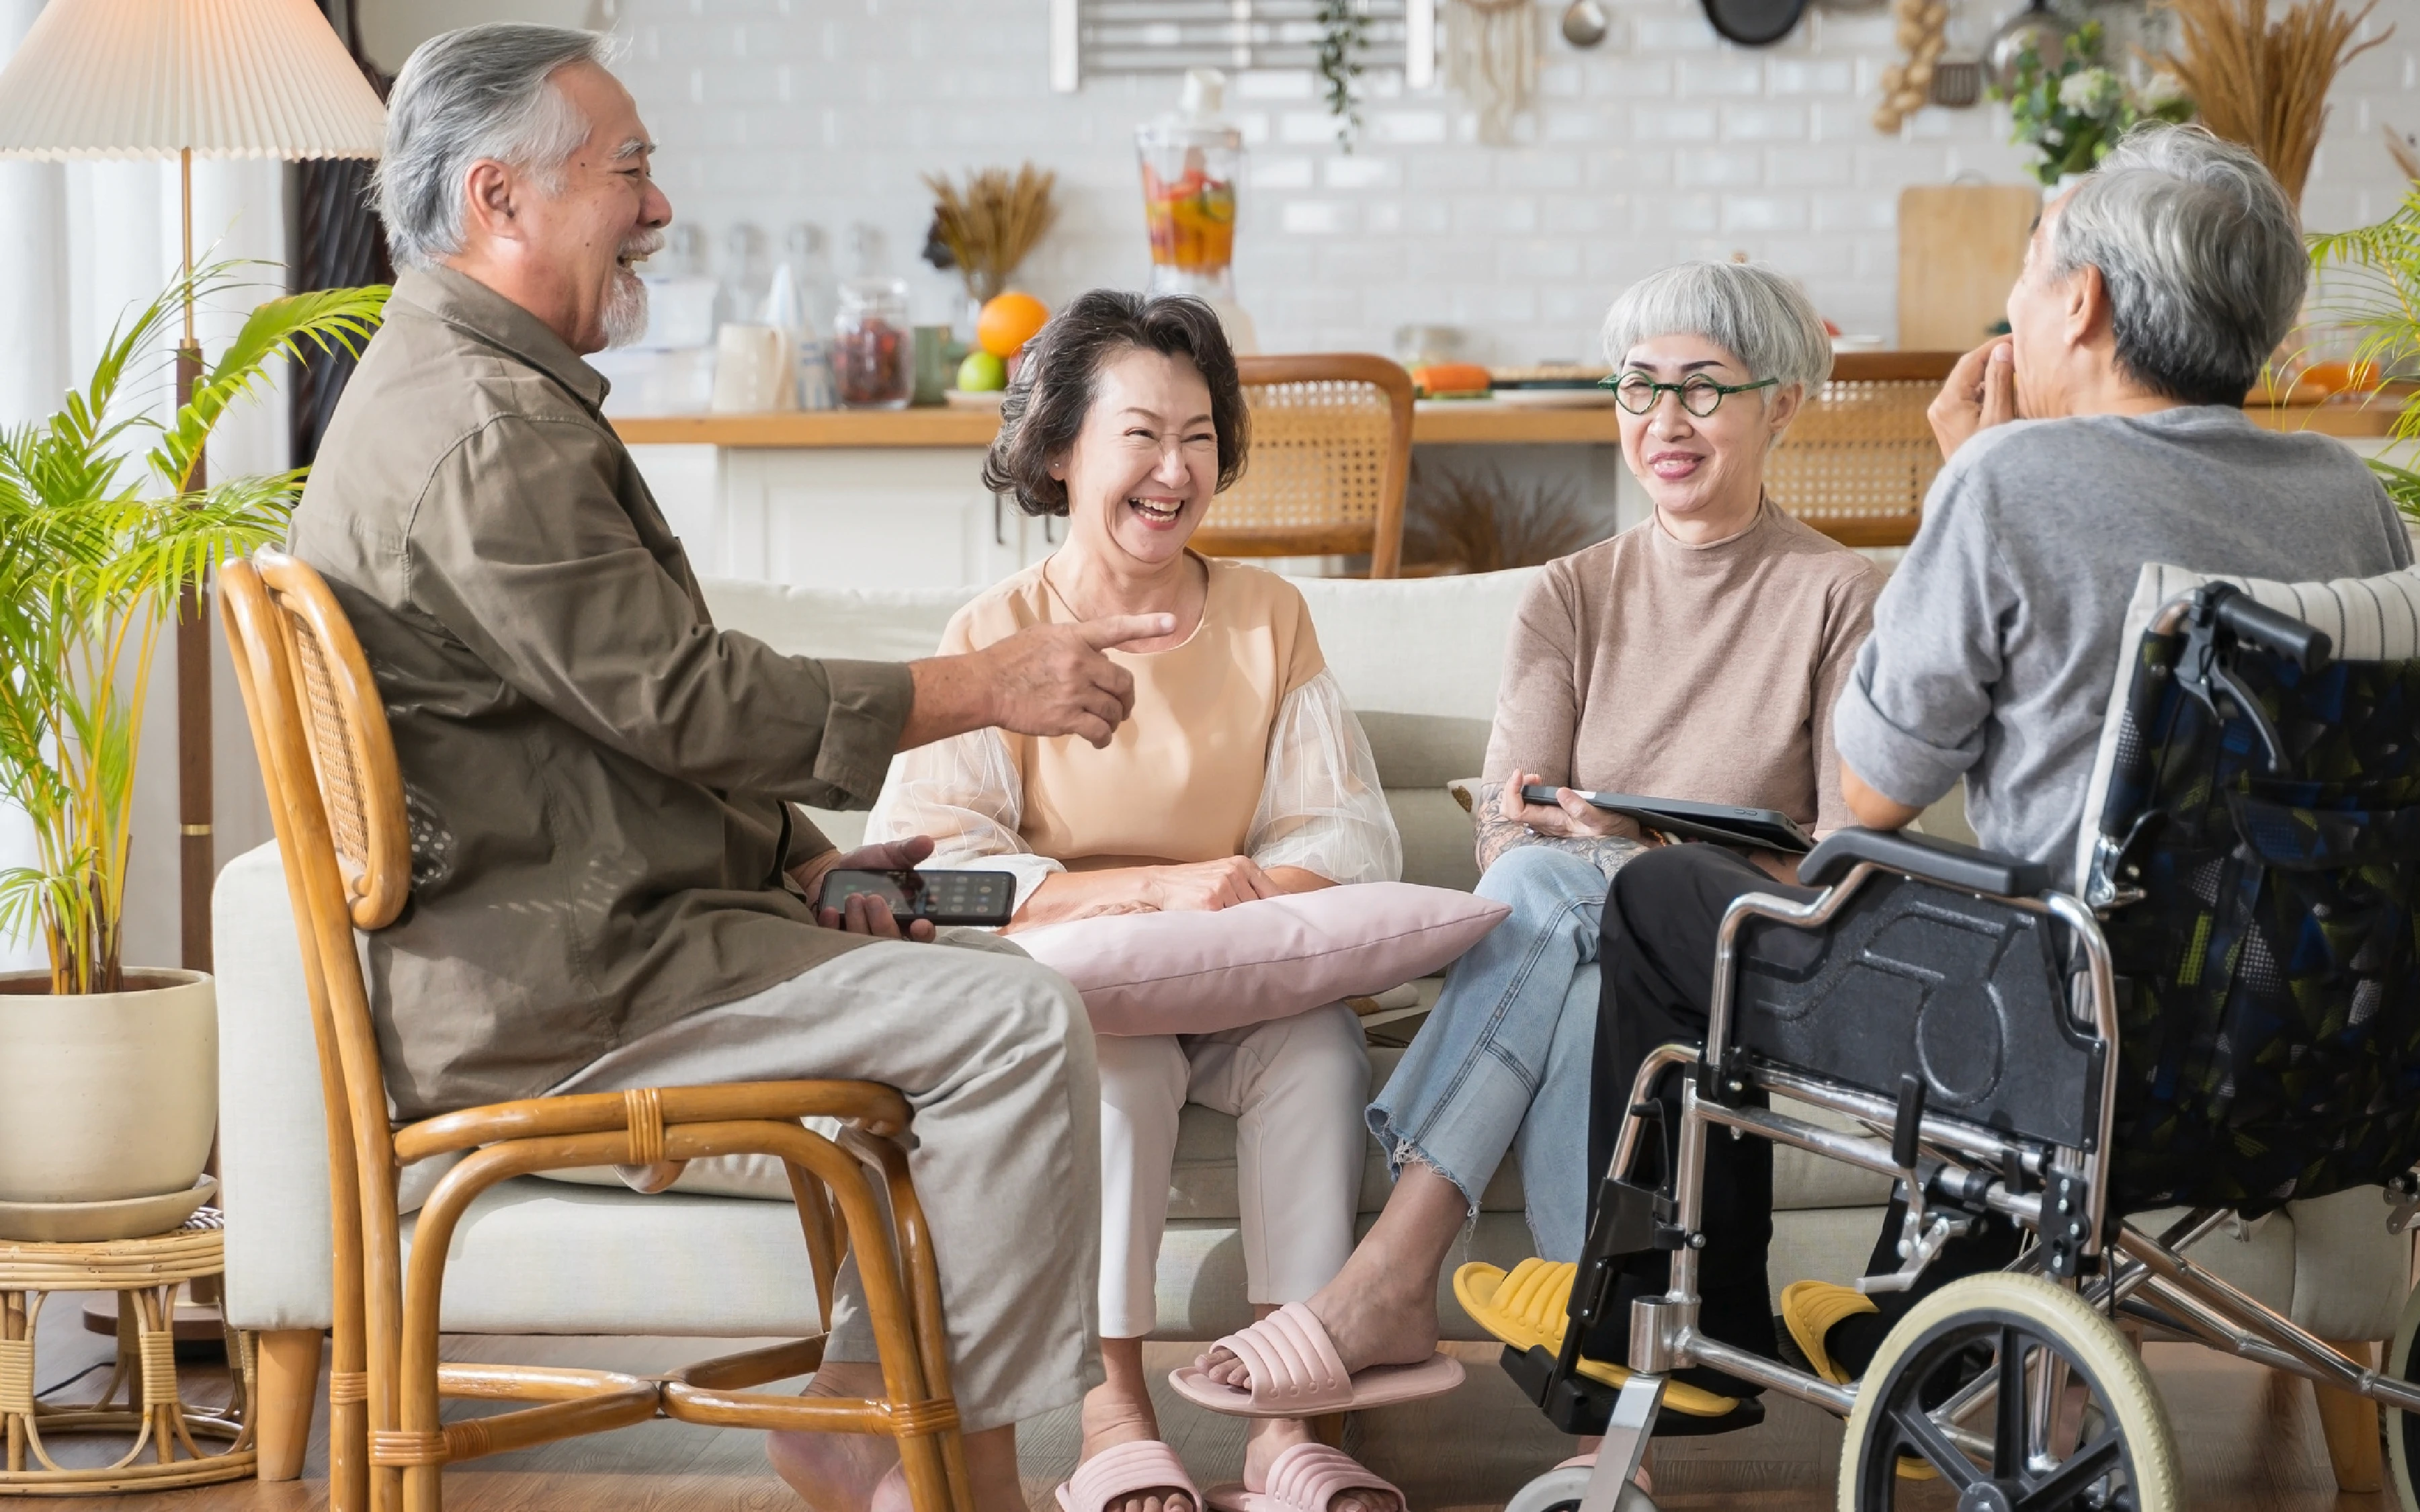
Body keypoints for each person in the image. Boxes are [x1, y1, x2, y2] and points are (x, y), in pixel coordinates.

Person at [294, 26, 1159, 1512]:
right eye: (629, 169)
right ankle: (948, 1465)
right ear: (501, 198)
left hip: (588, 949)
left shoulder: (463, 388)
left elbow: (602, 728)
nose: (659, 207)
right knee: (1016, 1026)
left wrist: (804, 865)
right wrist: (985, 687)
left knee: (976, 1003)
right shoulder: (484, 432)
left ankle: (862, 1409)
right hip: (566, 995)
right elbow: (682, 699)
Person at [1578, 124, 2416, 1388]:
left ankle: (1688, 1332)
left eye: (2028, 270)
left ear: (2079, 303)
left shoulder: (2012, 479)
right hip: (2298, 1021)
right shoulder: (2348, 495)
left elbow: (1867, 794)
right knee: (1979, 926)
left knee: (1664, 899)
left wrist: (1964, 483)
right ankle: (1924, 1325)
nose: (2012, 303)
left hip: (2065, 1019)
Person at [1187, 261, 1882, 1413]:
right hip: (1587, 944)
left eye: (1703, 389)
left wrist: (1638, 845)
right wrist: (1603, 859)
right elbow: (1507, 829)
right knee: (1573, 933)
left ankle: (1394, 1273)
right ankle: (1604, 1408)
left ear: (1783, 403)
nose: (1664, 420)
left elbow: (1845, 866)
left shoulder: (1838, 594)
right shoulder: (1569, 592)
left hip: (1746, 959)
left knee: (1569, 894)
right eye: (1638, 387)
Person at [866, 290, 1408, 1512]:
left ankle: (1290, 1424)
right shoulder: (996, 634)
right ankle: (1112, 1413)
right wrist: (1149, 893)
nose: (1177, 469)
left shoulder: (1273, 617)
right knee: (1114, 1067)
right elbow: (935, 866)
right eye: (1143, 434)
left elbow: (1347, 828)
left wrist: (1235, 898)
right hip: (1092, 994)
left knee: (1320, 1051)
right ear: (1060, 451)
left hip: (1247, 975)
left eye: (1202, 435)